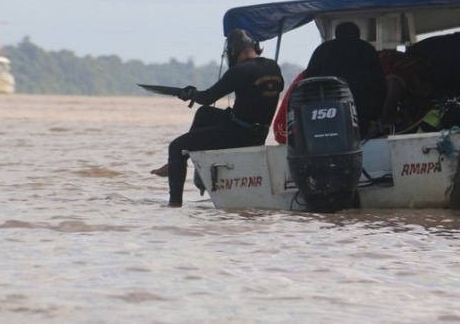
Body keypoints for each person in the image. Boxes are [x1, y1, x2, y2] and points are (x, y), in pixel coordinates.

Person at [150, 29, 284, 207]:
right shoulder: (272, 66)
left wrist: (190, 93)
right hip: (258, 133)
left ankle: (174, 204)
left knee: (176, 146)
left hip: (238, 135)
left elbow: (207, 97)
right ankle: (183, 160)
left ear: (234, 51)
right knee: (205, 113)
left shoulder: (240, 71)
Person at [303, 21, 387, 138]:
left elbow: (307, 83)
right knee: (360, 139)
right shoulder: (367, 49)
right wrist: (375, 116)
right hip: (361, 107)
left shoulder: (322, 50)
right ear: (357, 35)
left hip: (329, 108)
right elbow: (380, 85)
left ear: (336, 34)